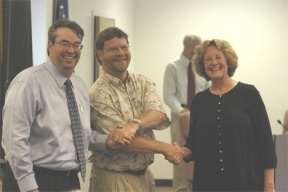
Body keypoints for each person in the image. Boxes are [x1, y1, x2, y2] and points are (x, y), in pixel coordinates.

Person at [1, 19, 132, 192]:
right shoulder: (28, 82)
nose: (71, 50)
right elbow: (14, 140)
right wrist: (29, 187)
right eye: (64, 43)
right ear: (50, 45)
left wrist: (107, 140)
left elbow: (79, 134)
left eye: (77, 45)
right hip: (34, 180)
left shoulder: (78, 85)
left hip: (68, 180)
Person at [174, 39, 277, 191]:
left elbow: (266, 143)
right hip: (208, 184)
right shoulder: (199, 101)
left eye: (218, 57)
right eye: (208, 59)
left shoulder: (249, 94)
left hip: (246, 183)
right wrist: (179, 152)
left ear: (228, 61)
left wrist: (269, 185)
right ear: (203, 66)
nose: (213, 62)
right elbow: (194, 144)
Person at [89, 27, 182, 192]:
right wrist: (166, 148)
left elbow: (158, 115)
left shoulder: (142, 82)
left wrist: (134, 124)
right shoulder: (97, 94)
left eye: (124, 47)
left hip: (145, 175)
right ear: (100, 54)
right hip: (115, 179)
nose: (121, 53)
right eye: (113, 49)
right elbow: (121, 142)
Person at [163, 34, 210, 192]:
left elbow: (207, 90)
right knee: (180, 155)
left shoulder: (200, 66)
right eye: (195, 48)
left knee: (202, 153)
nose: (197, 51)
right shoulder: (173, 66)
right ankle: (181, 189)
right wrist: (183, 112)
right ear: (186, 45)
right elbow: (168, 95)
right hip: (180, 116)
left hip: (201, 116)